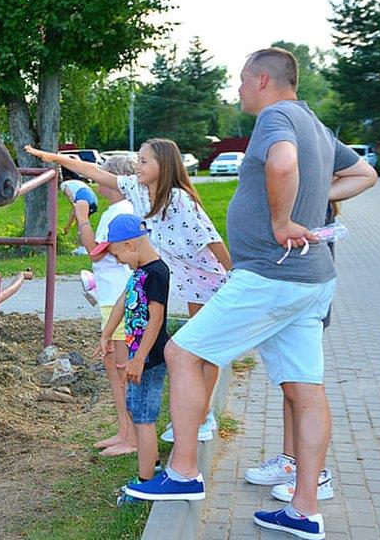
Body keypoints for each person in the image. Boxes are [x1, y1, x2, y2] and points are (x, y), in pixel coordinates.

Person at [123, 48, 376, 540]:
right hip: (312, 279)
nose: (237, 90)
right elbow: (364, 173)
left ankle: (183, 474)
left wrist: (282, 220)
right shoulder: (317, 125)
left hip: (268, 274)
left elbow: (281, 162)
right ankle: (304, 511)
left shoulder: (276, 117)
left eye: (241, 81)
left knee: (181, 352)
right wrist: (315, 196)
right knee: (306, 388)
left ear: (263, 79)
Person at [26, 138, 232, 440]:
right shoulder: (137, 190)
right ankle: (198, 414)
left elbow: (211, 238)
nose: (138, 165)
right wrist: (52, 157)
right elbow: (94, 172)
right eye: (138, 160)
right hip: (188, 283)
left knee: (203, 350)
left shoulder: (179, 199)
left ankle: (202, 417)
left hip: (210, 279)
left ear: (164, 167)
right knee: (196, 348)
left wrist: (235, 275)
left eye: (145, 161)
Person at [249, 200, 341, 503]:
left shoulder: (311, 204)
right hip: (292, 297)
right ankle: (291, 461)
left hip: (304, 297)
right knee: (292, 387)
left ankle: (316, 477)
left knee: (305, 389)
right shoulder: (298, 199)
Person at [90, 214, 171, 502]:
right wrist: (106, 334)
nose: (120, 261)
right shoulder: (139, 271)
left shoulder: (157, 273)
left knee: (144, 418)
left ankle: (145, 483)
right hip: (139, 357)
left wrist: (139, 359)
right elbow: (124, 302)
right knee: (136, 410)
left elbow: (156, 318)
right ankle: (154, 467)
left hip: (148, 360)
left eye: (118, 255)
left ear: (130, 245)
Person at [70, 155, 138, 455]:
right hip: (113, 299)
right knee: (114, 369)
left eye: (103, 175)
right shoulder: (123, 209)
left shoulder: (117, 213)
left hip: (117, 301)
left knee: (120, 370)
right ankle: (125, 431)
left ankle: (132, 438)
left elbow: (95, 252)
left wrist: (83, 215)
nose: (98, 180)